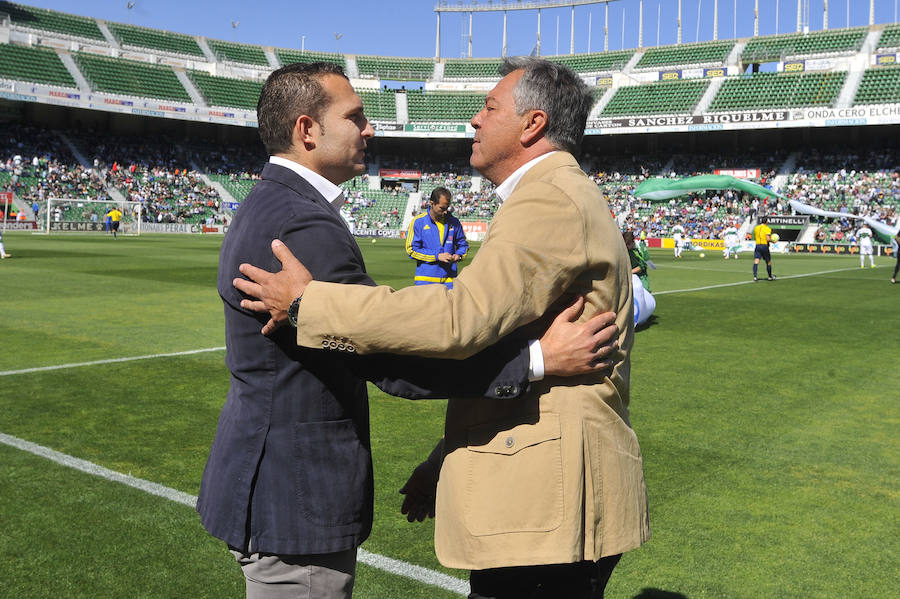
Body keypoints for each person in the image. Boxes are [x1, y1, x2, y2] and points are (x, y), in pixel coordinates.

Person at [197, 61, 621, 599]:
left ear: (533, 125)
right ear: (307, 130)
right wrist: (535, 360)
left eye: (487, 107)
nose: (370, 128)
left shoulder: (274, 204)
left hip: (283, 482)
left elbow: (444, 325)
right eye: (356, 116)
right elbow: (393, 358)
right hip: (295, 490)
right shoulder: (301, 222)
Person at [405, 186, 469, 288]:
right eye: (442, 208)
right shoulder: (418, 222)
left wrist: (459, 255)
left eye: (447, 208)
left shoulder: (454, 222)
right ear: (432, 203)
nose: (445, 212)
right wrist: (436, 256)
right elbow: (411, 250)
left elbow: (463, 246)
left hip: (450, 282)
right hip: (425, 282)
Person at [752, 216, 775, 281]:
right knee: (768, 262)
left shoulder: (756, 228)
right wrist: (773, 241)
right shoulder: (767, 228)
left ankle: (755, 276)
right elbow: (768, 239)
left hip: (757, 245)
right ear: (766, 222)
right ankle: (770, 277)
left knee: (756, 261)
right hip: (764, 245)